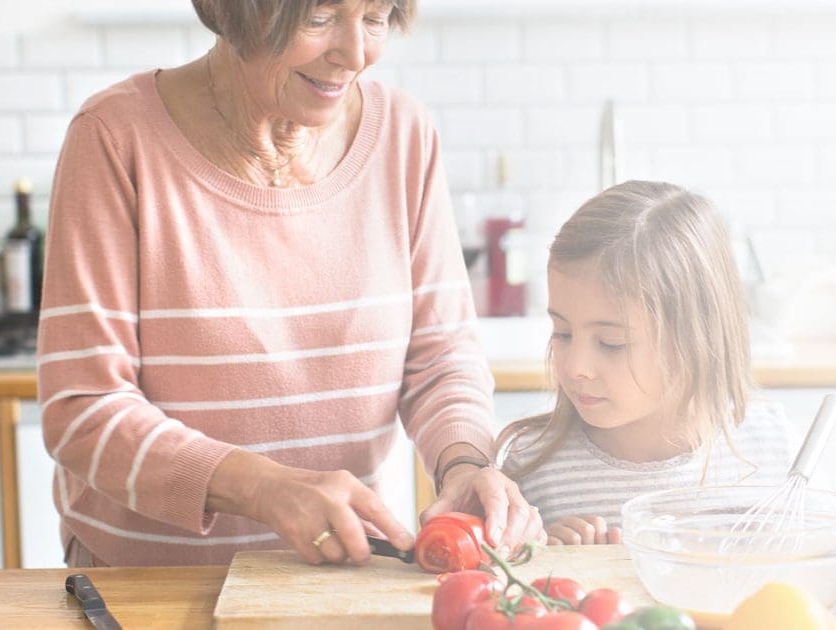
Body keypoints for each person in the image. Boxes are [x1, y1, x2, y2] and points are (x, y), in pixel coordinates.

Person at [37, 0, 541, 567]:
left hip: (344, 576)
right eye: (320, 18)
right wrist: (261, 488)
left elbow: (441, 357)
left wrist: (466, 463)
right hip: (151, 586)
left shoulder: (404, 135)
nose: (356, 55)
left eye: (375, 19)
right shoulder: (114, 137)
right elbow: (83, 407)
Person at [495, 180, 796, 546]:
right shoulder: (533, 468)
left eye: (612, 343)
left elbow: (817, 581)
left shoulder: (775, 448)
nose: (576, 367)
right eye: (562, 333)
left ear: (695, 337)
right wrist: (546, 562)